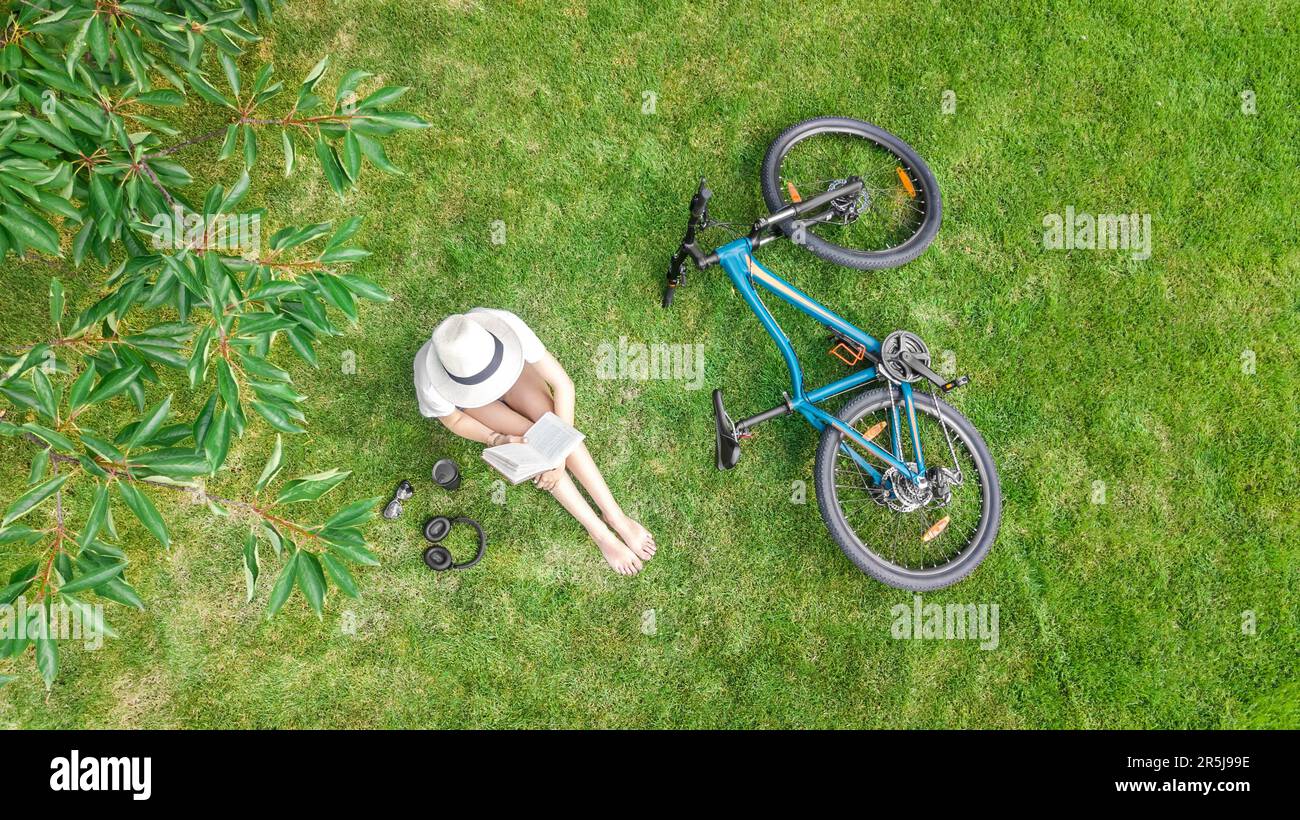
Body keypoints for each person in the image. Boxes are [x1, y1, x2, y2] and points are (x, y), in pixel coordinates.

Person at [414, 308, 655, 575]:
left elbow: (564, 385)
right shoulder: (428, 380)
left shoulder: (506, 327)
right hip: (476, 404)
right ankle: (600, 533)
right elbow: (456, 421)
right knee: (534, 442)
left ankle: (615, 516)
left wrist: (559, 456)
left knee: (550, 424)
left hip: (515, 375)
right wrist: (497, 438)